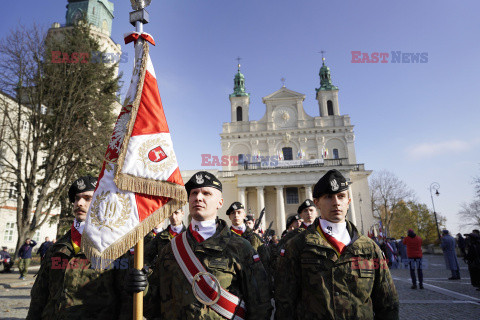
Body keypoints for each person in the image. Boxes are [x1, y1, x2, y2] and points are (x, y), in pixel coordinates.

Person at [130, 171, 272, 319]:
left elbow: (260, 306)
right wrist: (141, 288)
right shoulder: (171, 248)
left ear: (220, 202)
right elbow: (153, 307)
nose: (198, 197)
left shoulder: (241, 248)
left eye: (206, 193)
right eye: (194, 193)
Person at [274, 169, 399, 319]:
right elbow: (285, 302)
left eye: (341, 196)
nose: (336, 203)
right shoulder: (297, 246)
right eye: (328, 197)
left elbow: (387, 303)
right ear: (317, 203)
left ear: (348, 201)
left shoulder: (369, 248)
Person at [27, 176, 132, 320]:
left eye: (87, 198)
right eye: (77, 198)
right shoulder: (57, 247)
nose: (79, 203)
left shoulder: (114, 247)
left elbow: (127, 303)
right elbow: (39, 296)